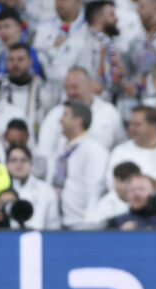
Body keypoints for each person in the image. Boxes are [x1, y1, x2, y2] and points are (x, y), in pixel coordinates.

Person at [37, 66, 126, 177]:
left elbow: (120, 147)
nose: (71, 92)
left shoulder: (109, 112)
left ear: (89, 86)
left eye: (75, 87)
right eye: (67, 88)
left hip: (103, 174)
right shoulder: (56, 115)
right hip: (65, 177)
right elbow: (45, 152)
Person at [51, 100, 108, 230]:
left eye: (65, 115)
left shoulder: (94, 149)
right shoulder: (62, 148)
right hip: (60, 222)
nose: (60, 120)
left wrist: (89, 225)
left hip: (82, 222)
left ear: (78, 120)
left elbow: (95, 189)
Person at [0, 43, 54, 132]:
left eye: (20, 59)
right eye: (11, 60)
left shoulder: (44, 89)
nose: (15, 64)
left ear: (30, 62)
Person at [7, 144, 60, 230]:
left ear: (31, 165)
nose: (19, 164)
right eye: (14, 160)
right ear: (7, 165)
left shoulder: (45, 190)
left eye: (23, 160)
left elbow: (54, 224)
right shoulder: (1, 190)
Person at [85, 161, 140, 228]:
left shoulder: (144, 199)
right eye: (116, 180)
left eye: (123, 181)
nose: (118, 185)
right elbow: (94, 227)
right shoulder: (107, 202)